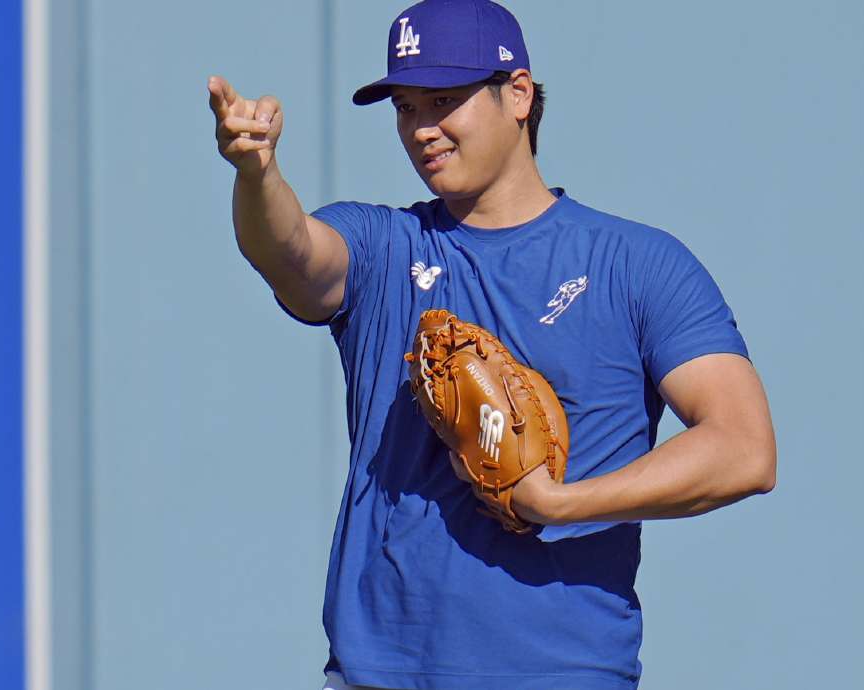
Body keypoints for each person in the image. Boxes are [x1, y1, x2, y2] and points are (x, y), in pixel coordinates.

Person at [206, 1, 776, 688]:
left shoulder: (637, 263)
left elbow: (744, 449)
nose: (422, 129)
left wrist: (560, 503)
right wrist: (256, 174)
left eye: (445, 100)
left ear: (519, 94)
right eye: (406, 107)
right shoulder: (386, 248)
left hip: (563, 672)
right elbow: (291, 252)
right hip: (381, 674)